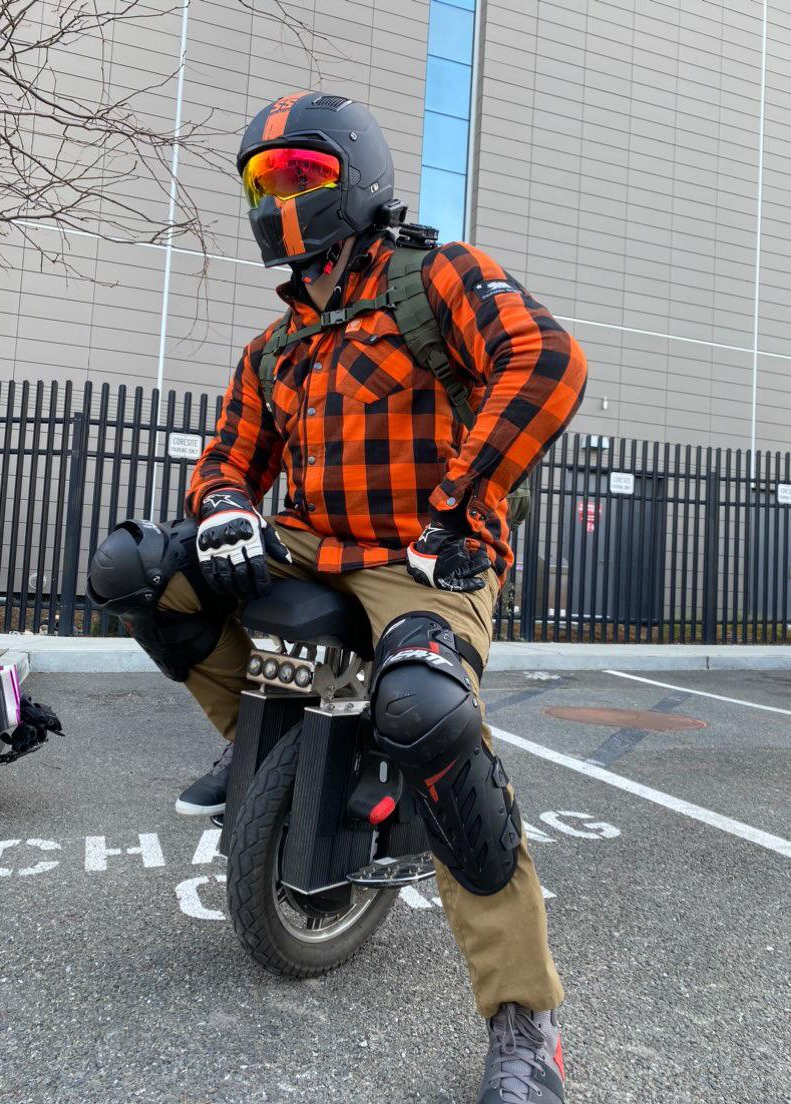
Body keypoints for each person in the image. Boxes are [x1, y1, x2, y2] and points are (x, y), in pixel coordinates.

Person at [89, 92, 587, 1103]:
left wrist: (458, 505)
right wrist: (225, 504)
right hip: (307, 544)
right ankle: (254, 743)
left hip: (424, 555)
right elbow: (228, 454)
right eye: (260, 183)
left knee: (428, 714)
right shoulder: (276, 347)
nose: (277, 201)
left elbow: (549, 360)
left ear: (354, 179)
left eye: (299, 178)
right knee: (135, 572)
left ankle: (524, 1023)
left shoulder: (440, 276)